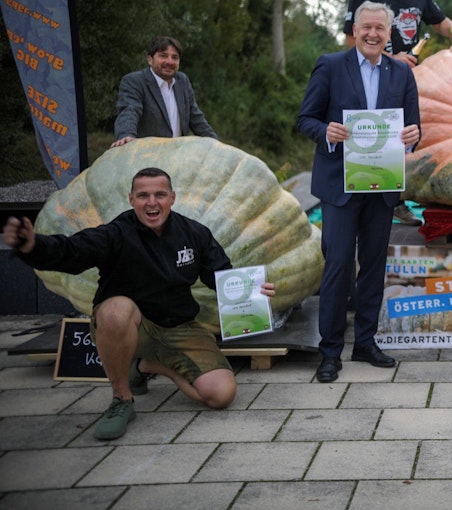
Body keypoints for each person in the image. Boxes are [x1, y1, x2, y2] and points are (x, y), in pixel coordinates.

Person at [2, 167, 275, 440]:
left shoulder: (194, 233)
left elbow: (221, 277)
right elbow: (73, 251)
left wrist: (251, 291)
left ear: (172, 198)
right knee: (114, 310)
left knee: (221, 395)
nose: (152, 202)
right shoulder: (116, 234)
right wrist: (33, 247)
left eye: (160, 194)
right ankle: (122, 399)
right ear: (131, 200)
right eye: (143, 195)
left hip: (181, 328)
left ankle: (146, 365)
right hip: (132, 326)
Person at [299, 1, 421, 384]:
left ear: (389, 33)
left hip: (381, 186)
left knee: (372, 266)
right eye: (366, 27)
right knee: (337, 266)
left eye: (380, 29)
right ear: (354, 29)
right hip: (340, 185)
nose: (372, 34)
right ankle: (330, 351)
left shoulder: (401, 73)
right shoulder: (331, 65)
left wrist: (414, 137)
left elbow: (413, 127)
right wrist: (327, 133)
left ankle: (365, 342)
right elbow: (306, 119)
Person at [343, 0, 452, 226]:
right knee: (374, 136)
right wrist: (387, 58)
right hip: (374, 74)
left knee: (404, 136)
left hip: (410, 77)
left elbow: (438, 21)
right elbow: (351, 40)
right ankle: (365, 204)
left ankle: (396, 203)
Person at [111, 36, 217, 148]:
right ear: (150, 59)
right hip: (147, 157)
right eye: (163, 56)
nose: (169, 62)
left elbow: (197, 119)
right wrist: (126, 135)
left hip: (177, 157)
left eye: (175, 57)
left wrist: (216, 145)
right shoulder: (135, 81)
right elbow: (129, 110)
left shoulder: (182, 81)